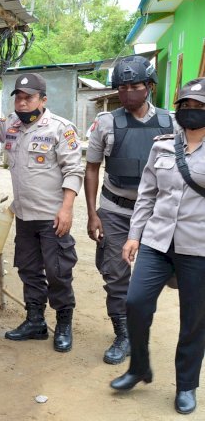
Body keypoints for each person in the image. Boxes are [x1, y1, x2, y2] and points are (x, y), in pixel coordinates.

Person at [0, 71, 84, 352]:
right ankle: (35, 322)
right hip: (24, 216)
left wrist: (67, 209)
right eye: (18, 98)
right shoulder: (11, 126)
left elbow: (74, 169)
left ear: (43, 100)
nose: (21, 103)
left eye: (28, 98)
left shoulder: (60, 128)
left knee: (58, 272)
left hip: (52, 217)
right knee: (29, 269)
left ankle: (64, 323)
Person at [110, 78, 205, 415]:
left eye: (198, 106)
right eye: (185, 106)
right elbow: (147, 194)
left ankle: (186, 385)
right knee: (135, 303)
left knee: (194, 320)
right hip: (157, 241)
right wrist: (134, 235)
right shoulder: (163, 145)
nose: (190, 112)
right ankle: (139, 367)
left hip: (199, 248)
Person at [84, 56, 173, 365]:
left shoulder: (170, 123)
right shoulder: (107, 123)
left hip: (157, 214)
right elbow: (92, 168)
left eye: (135, 86)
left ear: (149, 87)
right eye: (122, 88)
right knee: (115, 274)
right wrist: (93, 213)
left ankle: (139, 327)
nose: (128, 93)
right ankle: (123, 334)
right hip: (115, 210)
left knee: (157, 276)